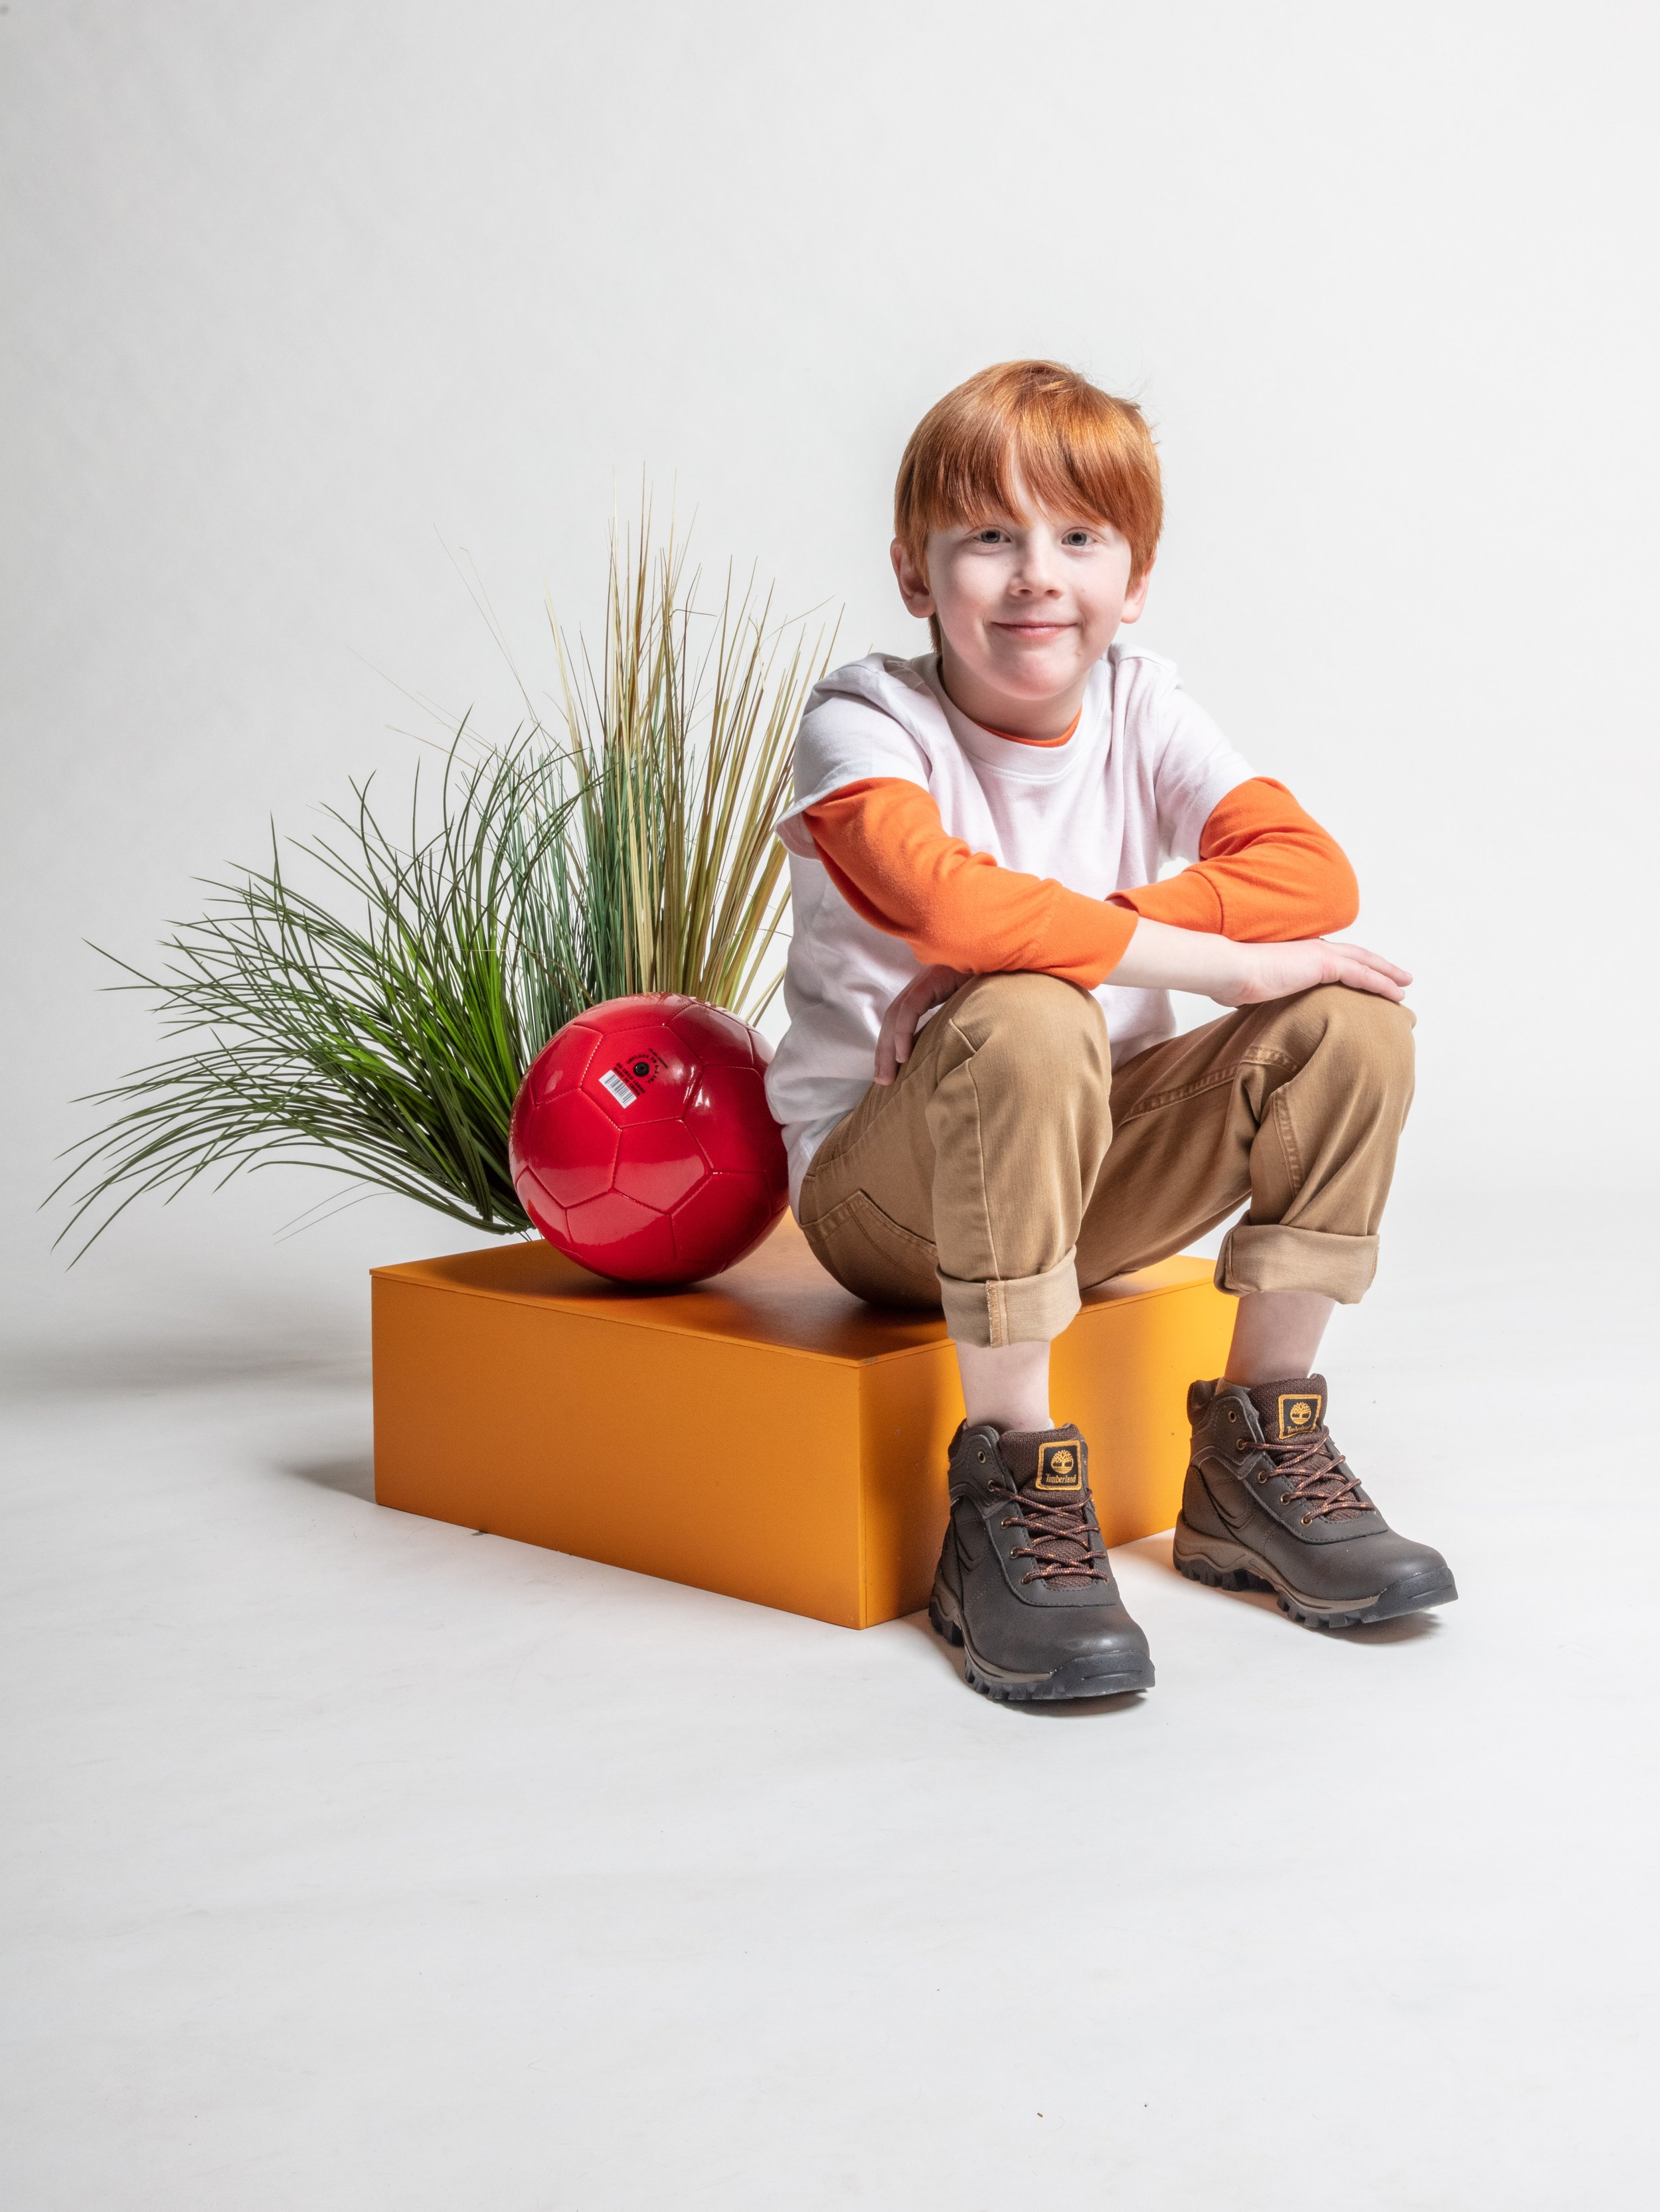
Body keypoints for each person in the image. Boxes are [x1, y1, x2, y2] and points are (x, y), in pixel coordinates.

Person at [764, 358, 1455, 1703]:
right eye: (989, 536)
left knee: (1347, 1023)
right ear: (913, 573)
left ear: (1132, 579)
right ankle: (1011, 1488)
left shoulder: (1143, 703)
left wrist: (1077, 932)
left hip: (1090, 1177)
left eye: (1080, 537)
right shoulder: (863, 721)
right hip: (888, 1199)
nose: (1038, 575)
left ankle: (1255, 1454)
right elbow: (937, 898)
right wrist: (1204, 961)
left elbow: (1310, 875)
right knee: (1022, 1016)